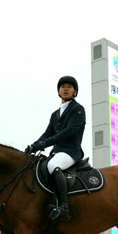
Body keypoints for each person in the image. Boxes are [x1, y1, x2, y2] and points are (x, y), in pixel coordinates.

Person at [25, 75, 86, 221]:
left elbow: (69, 132)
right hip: (57, 152)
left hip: (71, 152)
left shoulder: (78, 109)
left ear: (75, 92)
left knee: (52, 165)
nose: (65, 89)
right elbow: (47, 133)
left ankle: (64, 207)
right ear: (59, 91)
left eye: (69, 87)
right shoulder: (55, 114)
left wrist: (44, 144)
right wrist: (34, 145)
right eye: (62, 87)